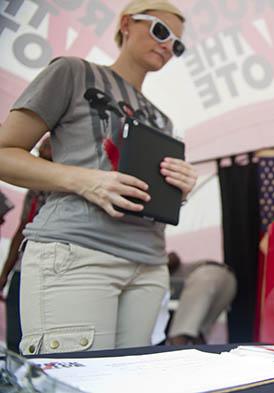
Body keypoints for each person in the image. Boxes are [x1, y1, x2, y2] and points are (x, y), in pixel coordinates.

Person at [0, 0, 197, 354]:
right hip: (78, 252)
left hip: (149, 266)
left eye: (177, 44)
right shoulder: (74, 73)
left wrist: (179, 189)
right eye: (160, 31)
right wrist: (84, 180)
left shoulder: (162, 121)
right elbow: (4, 153)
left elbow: (147, 195)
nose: (168, 45)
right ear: (126, 24)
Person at [0, 136, 52, 352]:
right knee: (16, 340)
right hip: (24, 268)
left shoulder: (67, 191)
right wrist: (5, 273)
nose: (40, 151)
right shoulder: (34, 190)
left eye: (47, 147)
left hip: (52, 270)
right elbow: (21, 232)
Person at [166, 256, 237, 346]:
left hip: (206, 275)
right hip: (228, 280)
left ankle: (175, 359)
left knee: (179, 335)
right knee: (197, 335)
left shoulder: (154, 269)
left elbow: (173, 257)